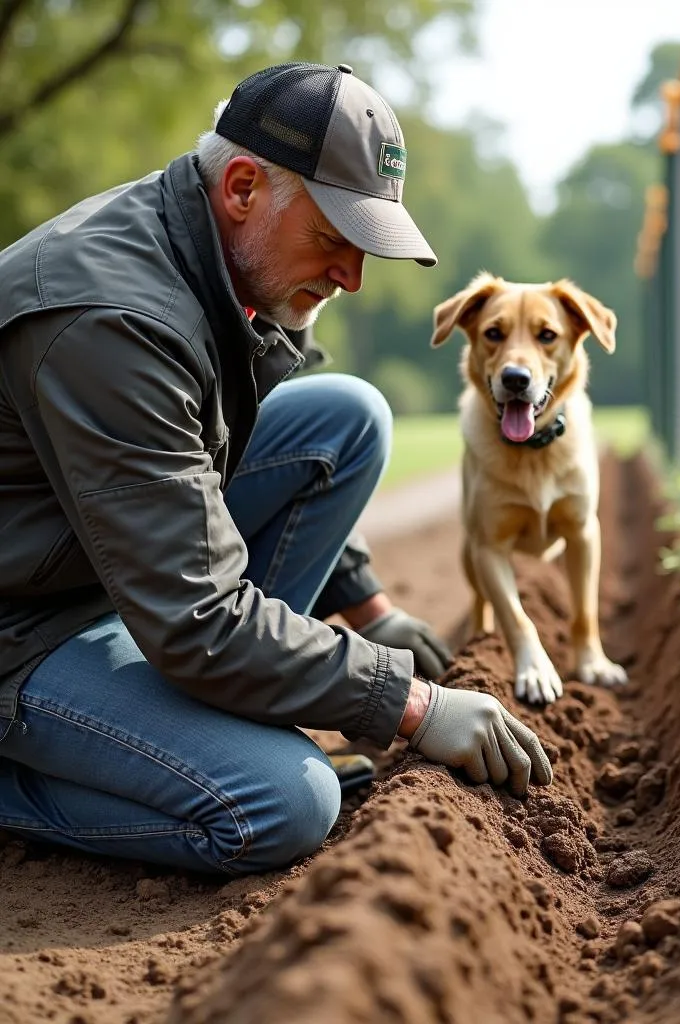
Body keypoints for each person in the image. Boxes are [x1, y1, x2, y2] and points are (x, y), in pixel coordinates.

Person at [0, 61, 552, 876]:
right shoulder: (113, 323)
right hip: (25, 624)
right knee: (283, 802)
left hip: (95, 566)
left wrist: (366, 607)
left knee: (347, 419)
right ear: (244, 187)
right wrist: (409, 702)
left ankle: (206, 711)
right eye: (335, 239)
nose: (352, 277)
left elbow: (234, 444)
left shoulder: (218, 261)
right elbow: (196, 617)